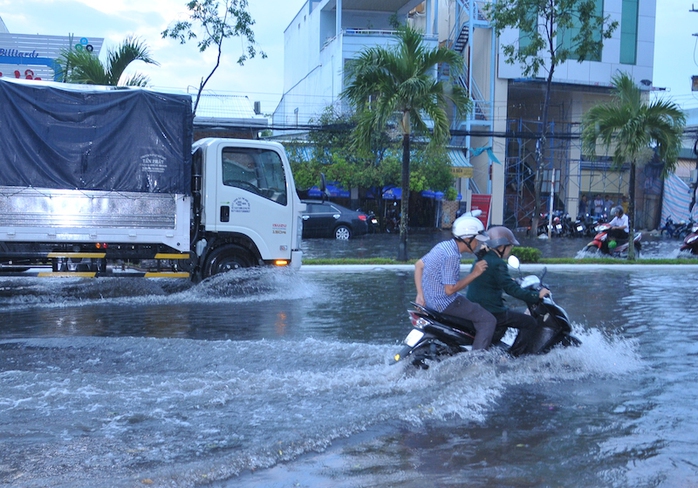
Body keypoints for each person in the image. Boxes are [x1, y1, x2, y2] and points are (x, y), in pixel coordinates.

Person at [414, 215, 497, 350]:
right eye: (477, 240)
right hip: (444, 303)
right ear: (467, 239)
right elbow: (450, 290)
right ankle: (477, 360)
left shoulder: (443, 246)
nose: (478, 244)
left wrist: (420, 294)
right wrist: (475, 273)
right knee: (488, 320)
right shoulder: (452, 255)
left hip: (430, 301)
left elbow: (418, 265)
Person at [466, 226, 549, 353]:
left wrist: (510, 281)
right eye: (509, 246)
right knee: (529, 322)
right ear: (501, 246)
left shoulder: (483, 258)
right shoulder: (498, 263)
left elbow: (492, 280)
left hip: (477, 307)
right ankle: (515, 355)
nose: (510, 249)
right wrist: (537, 296)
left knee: (513, 314)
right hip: (491, 310)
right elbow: (512, 290)